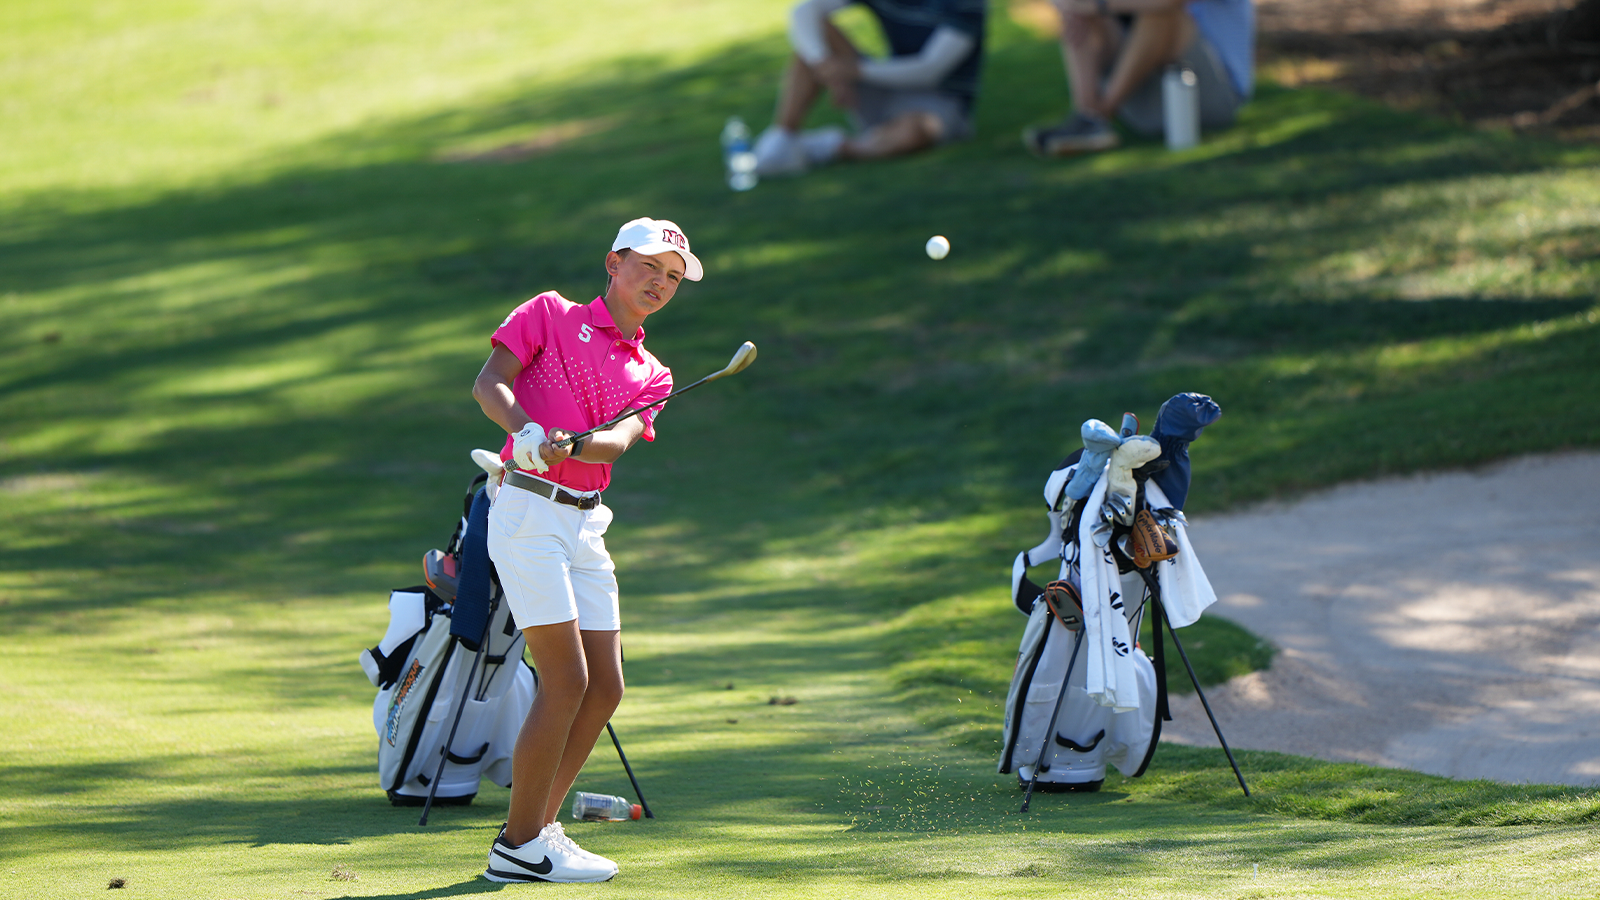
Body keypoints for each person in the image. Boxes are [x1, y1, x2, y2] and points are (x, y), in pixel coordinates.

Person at [470, 217, 701, 884]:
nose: (660, 282)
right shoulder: (549, 314)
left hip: (586, 523)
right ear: (613, 262)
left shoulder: (653, 373)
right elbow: (490, 384)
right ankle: (518, 846)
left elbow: (617, 442)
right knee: (566, 680)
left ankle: (538, 831)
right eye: (649, 266)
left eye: (673, 277)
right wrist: (527, 430)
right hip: (528, 513)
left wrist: (572, 442)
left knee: (605, 686)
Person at [751, 0, 988, 177]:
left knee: (912, 133)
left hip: (941, 102)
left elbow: (931, 70)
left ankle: (826, 148)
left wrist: (854, 71)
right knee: (815, 37)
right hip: (886, 87)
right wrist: (825, 67)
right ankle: (782, 139)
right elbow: (804, 11)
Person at [1023, 0, 1255, 156]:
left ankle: (1097, 117)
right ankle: (1087, 118)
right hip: (1146, 100)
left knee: (1164, 12)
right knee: (1082, 8)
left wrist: (1096, 4)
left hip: (1214, 98)